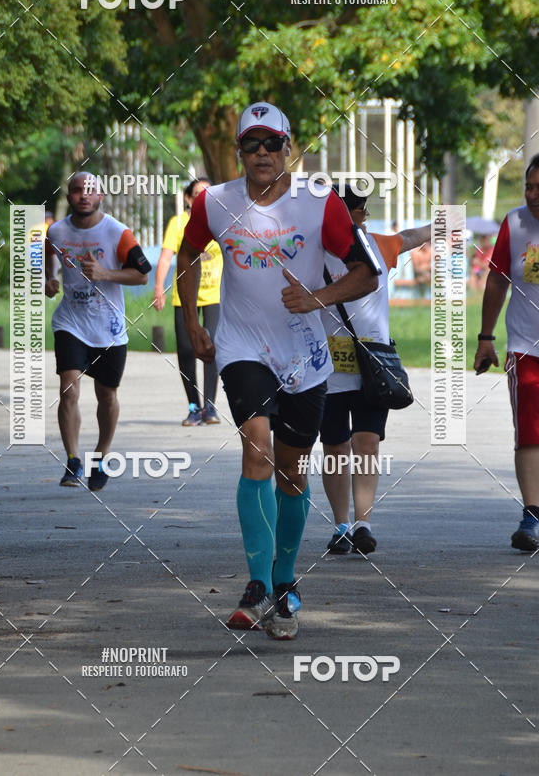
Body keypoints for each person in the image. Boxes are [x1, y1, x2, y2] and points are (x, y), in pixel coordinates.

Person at [176, 101, 379, 640]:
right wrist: (195, 320)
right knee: (256, 446)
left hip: (305, 354)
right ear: (239, 151)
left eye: (272, 144)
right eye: (251, 144)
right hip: (242, 345)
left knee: (292, 471)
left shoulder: (319, 204)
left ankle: (286, 582)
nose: (262, 154)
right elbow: (188, 253)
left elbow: (366, 275)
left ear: (289, 148)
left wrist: (317, 297)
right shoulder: (215, 202)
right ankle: (257, 584)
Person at [320, 187, 431, 555]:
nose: (349, 221)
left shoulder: (376, 245)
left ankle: (363, 523)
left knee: (367, 442)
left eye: (354, 214)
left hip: (373, 364)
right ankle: (340, 525)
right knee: (335, 445)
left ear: (360, 215)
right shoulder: (314, 253)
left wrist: (442, 224)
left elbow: (410, 237)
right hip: (327, 366)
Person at [45, 172, 151, 491]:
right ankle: (73, 460)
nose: (83, 196)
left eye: (89, 191)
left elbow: (143, 275)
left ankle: (101, 457)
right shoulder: (56, 232)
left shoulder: (118, 233)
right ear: (69, 196)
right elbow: (47, 266)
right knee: (69, 388)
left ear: (100, 196)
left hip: (109, 326)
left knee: (106, 395)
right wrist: (48, 283)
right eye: (77, 191)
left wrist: (105, 273)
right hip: (71, 322)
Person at [474, 154, 539, 551]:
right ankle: (532, 515)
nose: (532, 195)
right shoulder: (515, 224)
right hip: (525, 347)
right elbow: (497, 281)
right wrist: (486, 337)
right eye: (528, 187)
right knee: (530, 433)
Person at [153, 180, 223, 425]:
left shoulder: (222, 220)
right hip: (185, 296)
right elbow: (165, 257)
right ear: (188, 199)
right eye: (197, 194)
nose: (202, 198)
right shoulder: (178, 223)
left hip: (215, 294)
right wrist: (159, 286)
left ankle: (211, 408)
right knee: (185, 350)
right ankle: (194, 407)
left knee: (212, 347)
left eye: (207, 194)